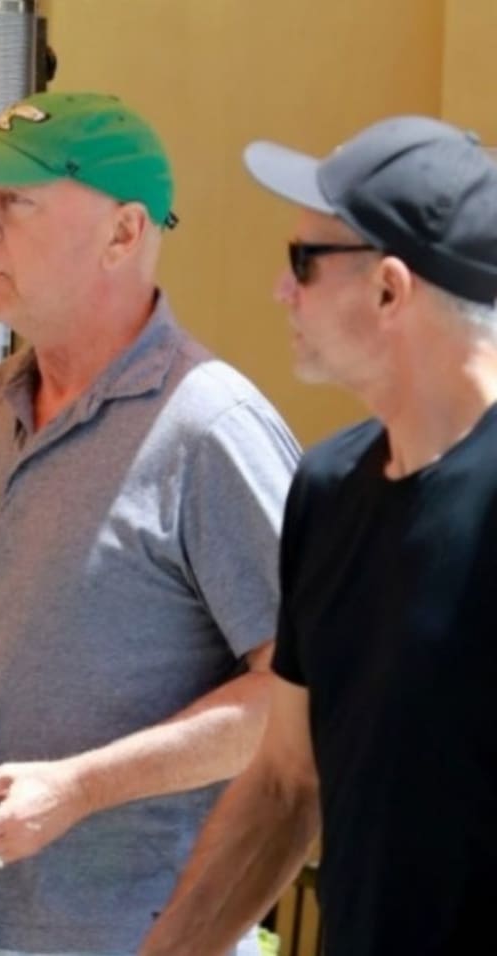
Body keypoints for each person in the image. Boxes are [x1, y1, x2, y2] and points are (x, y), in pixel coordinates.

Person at [0, 90, 300, 956]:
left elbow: (302, 696)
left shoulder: (211, 425)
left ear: (124, 232)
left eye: (15, 199)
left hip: (160, 938)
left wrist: (81, 788)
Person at [140, 114, 497, 956]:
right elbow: (283, 785)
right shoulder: (328, 489)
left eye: (303, 261)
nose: (281, 290)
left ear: (389, 290)